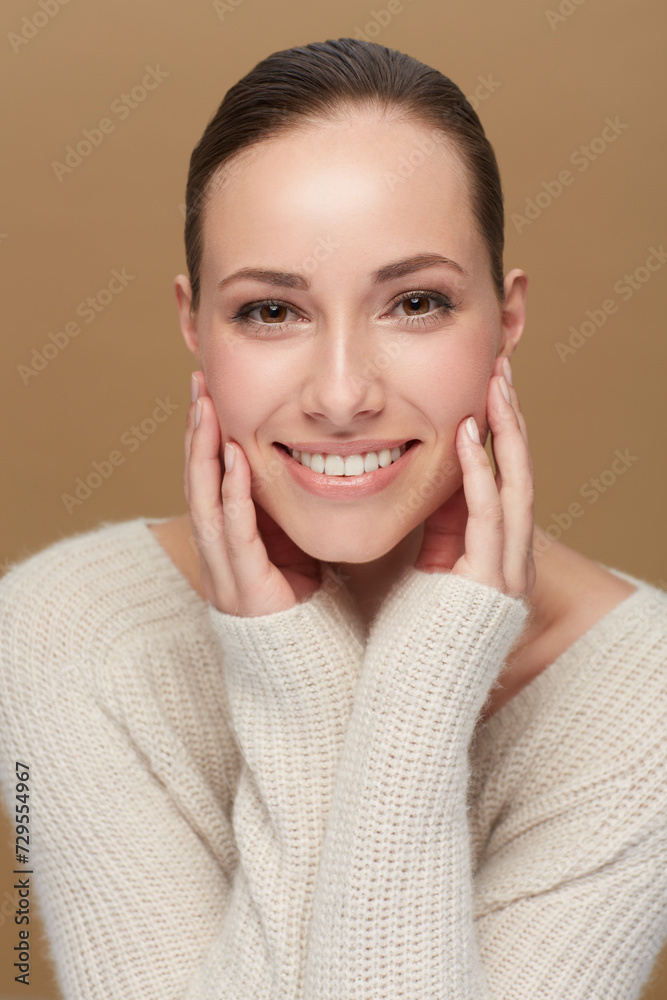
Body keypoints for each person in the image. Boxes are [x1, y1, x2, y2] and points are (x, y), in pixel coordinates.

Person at [0, 37, 665, 1000]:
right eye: (271, 312)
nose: (343, 393)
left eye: (416, 303)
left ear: (505, 319)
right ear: (194, 326)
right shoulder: (57, 634)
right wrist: (296, 685)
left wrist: (422, 678)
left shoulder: (645, 704)